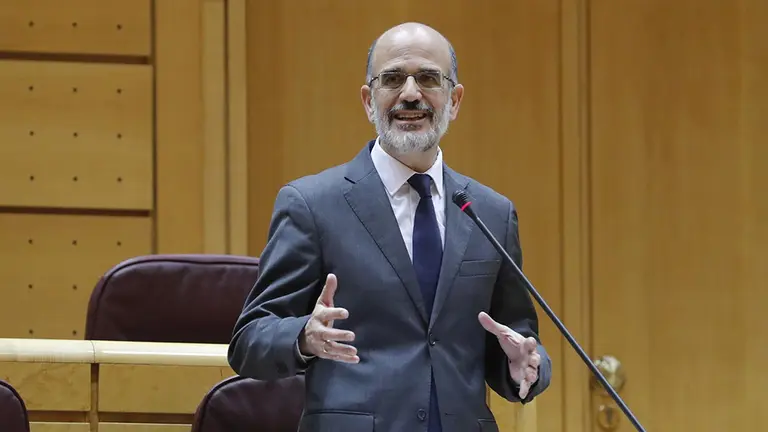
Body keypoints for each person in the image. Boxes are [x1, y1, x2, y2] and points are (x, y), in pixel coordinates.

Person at [228, 22, 552, 432]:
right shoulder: (312, 205)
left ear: (454, 101)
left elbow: (516, 335)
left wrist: (525, 365)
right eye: (393, 79)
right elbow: (249, 340)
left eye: (429, 79)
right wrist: (303, 336)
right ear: (368, 100)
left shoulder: (490, 212)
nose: (411, 93)